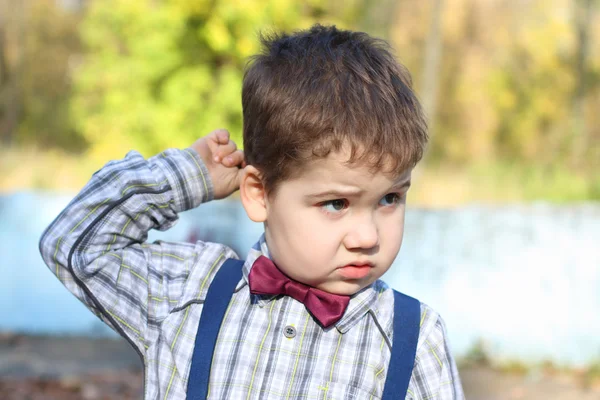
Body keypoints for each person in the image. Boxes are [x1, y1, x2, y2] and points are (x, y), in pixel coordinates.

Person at [39, 24, 464, 399]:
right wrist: (187, 176)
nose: (368, 236)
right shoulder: (186, 294)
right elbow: (74, 245)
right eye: (336, 203)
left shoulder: (413, 340)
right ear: (260, 194)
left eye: (390, 199)